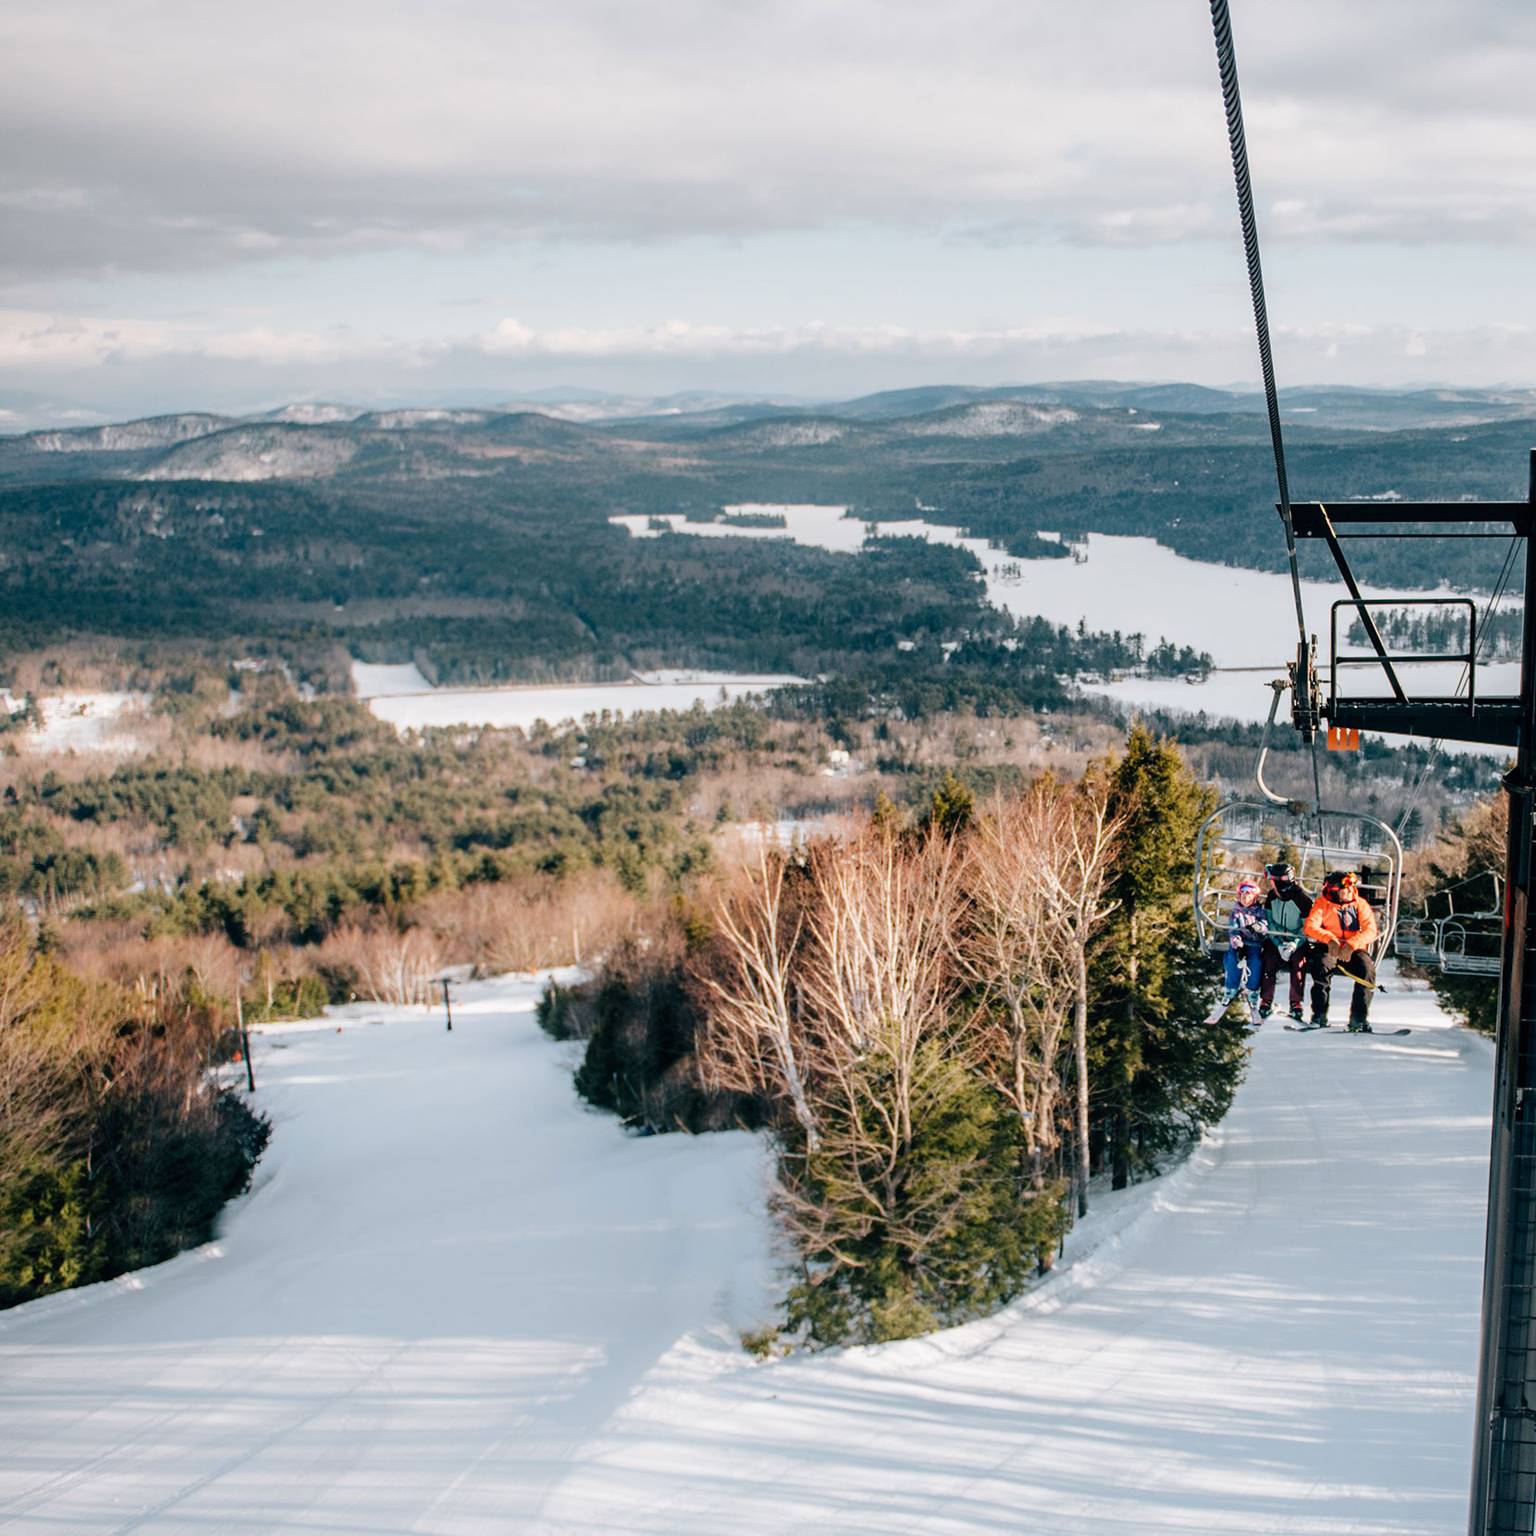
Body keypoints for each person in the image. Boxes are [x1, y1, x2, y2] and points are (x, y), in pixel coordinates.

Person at [1302, 869, 1379, 1031]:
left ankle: (1359, 1017)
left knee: (1367, 970)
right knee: (1321, 967)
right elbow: (1310, 926)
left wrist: (1352, 944)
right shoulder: (1323, 903)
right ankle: (1319, 1014)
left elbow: (1370, 930)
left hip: (1353, 948)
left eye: (1351, 888)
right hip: (1329, 947)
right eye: (1346, 890)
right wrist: (1330, 939)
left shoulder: (1359, 904)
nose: (1350, 892)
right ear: (1334, 891)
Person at [1259, 861, 1313, 1022]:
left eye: (1273, 881)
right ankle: (1266, 1000)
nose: (1271, 884)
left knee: (1299, 963)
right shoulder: (1271, 896)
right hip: (1276, 939)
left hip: (1297, 941)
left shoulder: (1302, 899)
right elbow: (1269, 921)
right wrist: (1278, 942)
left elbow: (1306, 927)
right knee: (1268, 960)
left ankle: (1295, 1003)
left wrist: (1293, 944)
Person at [1216, 877, 1267, 1022]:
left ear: (1255, 897)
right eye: (1243, 895)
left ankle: (1252, 990)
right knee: (1232, 958)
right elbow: (1234, 930)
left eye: (1248, 895)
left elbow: (1264, 926)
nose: (1245, 898)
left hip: (1255, 944)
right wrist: (1237, 944)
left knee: (1255, 961)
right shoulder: (1236, 912)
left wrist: (1256, 927)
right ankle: (1231, 988)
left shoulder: (1259, 911)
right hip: (1240, 943)